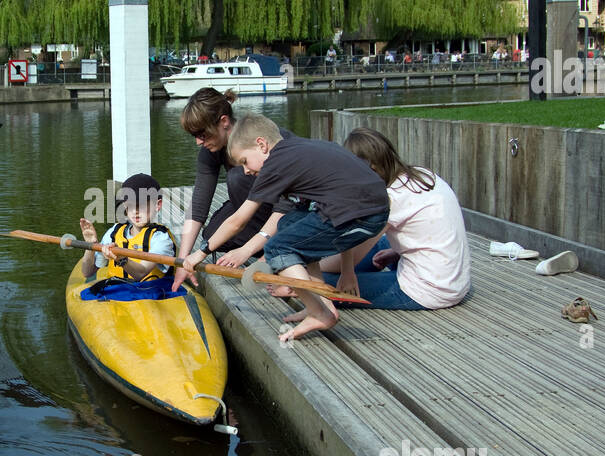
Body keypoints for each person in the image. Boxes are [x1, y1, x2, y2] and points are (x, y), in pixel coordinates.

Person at [180, 115, 389, 343]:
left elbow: (237, 220)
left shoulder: (276, 162)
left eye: (244, 161)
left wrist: (201, 253)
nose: (246, 171)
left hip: (363, 214)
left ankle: (321, 313)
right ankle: (321, 303)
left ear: (261, 145)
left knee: (278, 248)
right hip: (368, 206)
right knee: (290, 224)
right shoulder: (296, 150)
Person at [310, 128, 471, 310]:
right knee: (380, 244)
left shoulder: (389, 198)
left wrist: (313, 267)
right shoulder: (422, 174)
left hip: (429, 291)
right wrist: (396, 252)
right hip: (453, 279)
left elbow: (349, 251)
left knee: (321, 283)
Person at [171, 89, 283, 289]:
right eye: (194, 136)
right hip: (250, 206)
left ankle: (271, 249)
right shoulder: (210, 149)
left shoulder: (258, 139)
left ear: (224, 122)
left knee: (237, 177)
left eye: (202, 134)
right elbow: (198, 206)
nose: (198, 141)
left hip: (284, 209)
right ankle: (259, 243)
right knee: (211, 237)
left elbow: (289, 199)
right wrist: (182, 261)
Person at [78, 173, 176, 282]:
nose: (135, 211)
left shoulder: (161, 239)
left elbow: (141, 272)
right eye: (130, 205)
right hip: (116, 292)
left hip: (151, 293)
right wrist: (90, 246)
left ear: (158, 205)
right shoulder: (114, 232)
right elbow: (87, 272)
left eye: (142, 204)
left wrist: (121, 258)